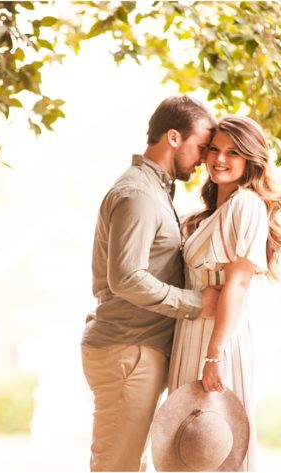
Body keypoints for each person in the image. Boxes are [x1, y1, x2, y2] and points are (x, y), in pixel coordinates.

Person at [81, 95, 217, 472]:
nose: (205, 158)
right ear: (173, 137)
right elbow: (126, 277)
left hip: (136, 350)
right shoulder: (139, 194)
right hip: (128, 351)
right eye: (201, 146)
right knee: (117, 467)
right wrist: (197, 303)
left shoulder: (156, 191)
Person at [169, 115, 281, 471]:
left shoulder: (246, 205)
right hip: (190, 332)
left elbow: (237, 283)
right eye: (214, 150)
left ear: (251, 160)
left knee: (214, 443)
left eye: (233, 152)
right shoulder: (206, 215)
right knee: (185, 445)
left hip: (216, 337)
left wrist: (214, 355)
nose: (220, 159)